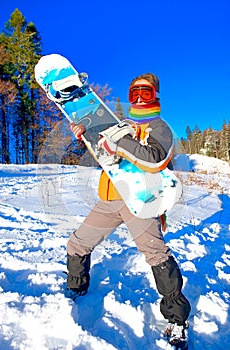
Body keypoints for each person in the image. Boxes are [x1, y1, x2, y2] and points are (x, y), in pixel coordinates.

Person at [67, 73, 191, 347]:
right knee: (77, 243)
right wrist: (85, 137)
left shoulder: (161, 127)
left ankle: (177, 319)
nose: (138, 98)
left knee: (156, 256)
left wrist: (119, 142)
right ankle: (75, 288)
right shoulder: (118, 125)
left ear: (155, 96)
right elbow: (105, 159)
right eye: (134, 93)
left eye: (145, 93)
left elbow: (155, 159)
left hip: (140, 200)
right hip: (110, 199)